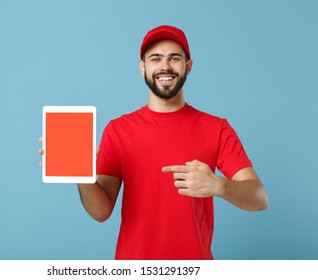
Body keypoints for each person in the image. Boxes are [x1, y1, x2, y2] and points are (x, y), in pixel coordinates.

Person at [39, 25, 268, 260]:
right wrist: (80, 173)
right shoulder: (118, 130)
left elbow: (260, 198)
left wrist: (220, 186)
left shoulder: (216, 128)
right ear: (143, 67)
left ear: (188, 67)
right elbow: (101, 212)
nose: (165, 66)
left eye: (174, 58)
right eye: (155, 58)